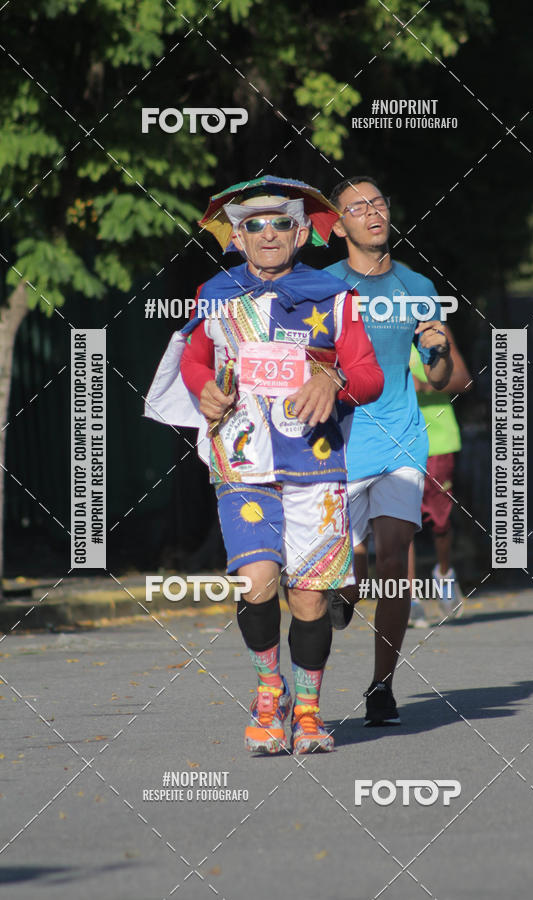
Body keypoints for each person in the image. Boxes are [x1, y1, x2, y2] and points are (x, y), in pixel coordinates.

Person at [178, 177, 384, 754]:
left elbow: (369, 374)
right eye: (254, 225)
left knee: (311, 598)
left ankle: (311, 712)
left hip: (315, 467)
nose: (268, 234)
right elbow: (195, 360)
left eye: (280, 224)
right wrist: (205, 392)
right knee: (255, 580)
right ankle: (270, 694)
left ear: (300, 232)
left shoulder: (334, 295)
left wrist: (334, 378)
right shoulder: (214, 293)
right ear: (238, 237)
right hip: (241, 462)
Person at [325, 176, 453, 725]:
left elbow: (443, 377)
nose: (373, 213)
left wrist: (438, 349)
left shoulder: (418, 285)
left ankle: (382, 686)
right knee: (341, 571)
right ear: (339, 224)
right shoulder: (320, 285)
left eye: (379, 202)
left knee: (394, 563)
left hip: (402, 436)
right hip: (340, 443)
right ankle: (344, 591)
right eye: (358, 207)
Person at [407, 328, 472, 628]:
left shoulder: (435, 332)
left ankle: (444, 574)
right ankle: (407, 597)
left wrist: (424, 385)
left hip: (438, 443)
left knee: (440, 522)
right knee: (399, 522)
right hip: (396, 442)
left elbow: (463, 380)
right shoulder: (374, 331)